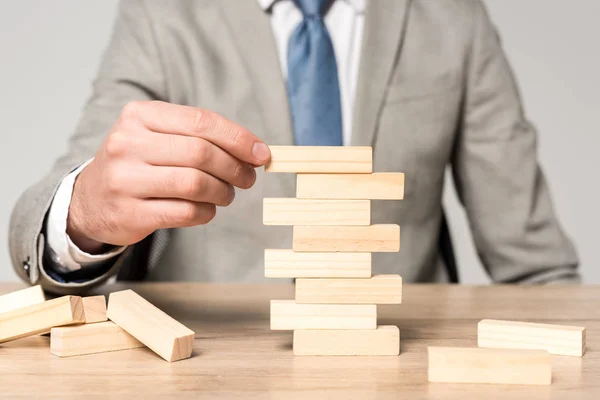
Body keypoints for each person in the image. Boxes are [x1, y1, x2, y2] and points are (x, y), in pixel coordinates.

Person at [9, 0, 579, 294]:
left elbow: (538, 269)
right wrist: (84, 214)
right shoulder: (166, 15)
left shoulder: (453, 20)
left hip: (399, 368)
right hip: (213, 373)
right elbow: (53, 208)